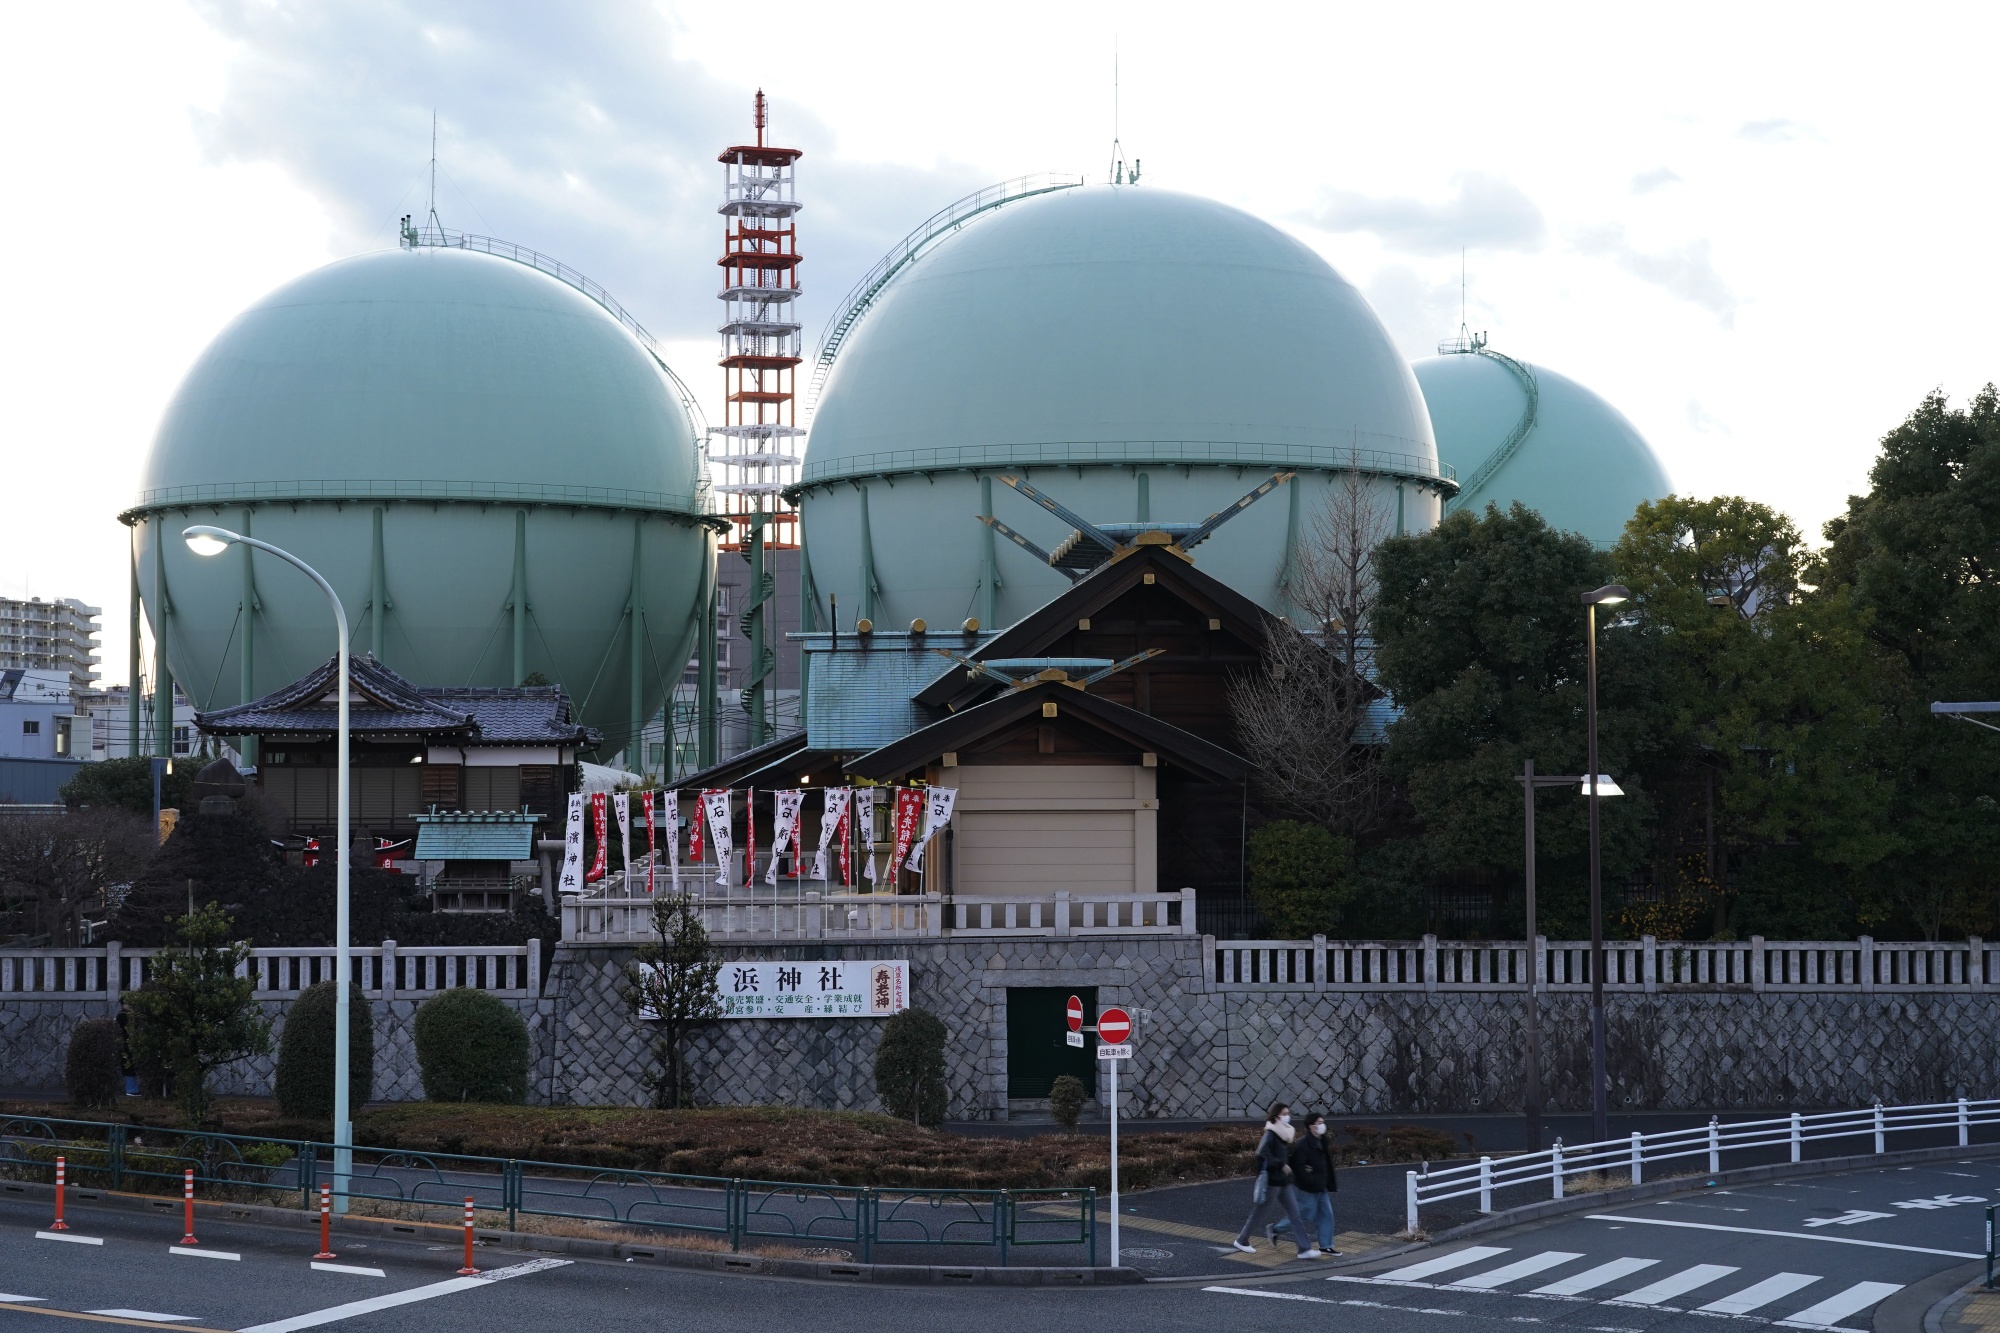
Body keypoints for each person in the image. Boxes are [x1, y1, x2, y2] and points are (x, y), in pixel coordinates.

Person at [1233, 1102, 1319, 1259]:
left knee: (1295, 1214)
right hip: (1273, 1181)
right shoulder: (1271, 1133)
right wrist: (1281, 1165)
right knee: (1260, 1212)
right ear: (1277, 1115)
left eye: (1288, 1113)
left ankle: (1305, 1249)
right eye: (1285, 1113)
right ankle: (1242, 1240)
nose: (1288, 1116)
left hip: (1283, 1181)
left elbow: (1284, 1154)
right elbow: (1261, 1152)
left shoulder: (1284, 1133)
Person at [1273, 1111, 1337, 1254]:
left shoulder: (1322, 1141)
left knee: (1326, 1214)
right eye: (1319, 1123)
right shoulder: (1303, 1144)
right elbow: (1298, 1167)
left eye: (1322, 1122)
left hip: (1321, 1186)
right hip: (1308, 1187)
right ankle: (1275, 1229)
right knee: (1304, 1215)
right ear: (1311, 1126)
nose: (1322, 1125)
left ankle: (1326, 1245)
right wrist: (1311, 1179)